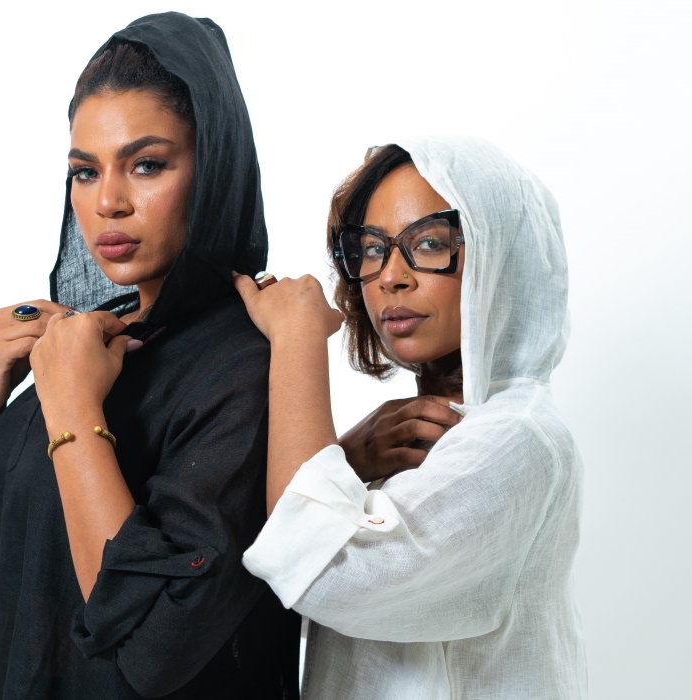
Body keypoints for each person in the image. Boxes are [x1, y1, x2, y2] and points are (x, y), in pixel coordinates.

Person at [0, 13, 300, 700]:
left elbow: (153, 647)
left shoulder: (248, 368)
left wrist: (70, 406)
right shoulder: (90, 343)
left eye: (147, 165)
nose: (108, 203)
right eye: (84, 172)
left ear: (214, 171)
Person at [235, 138, 587, 698]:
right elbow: (272, 585)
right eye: (372, 249)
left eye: (428, 243)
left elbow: (326, 574)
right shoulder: (410, 438)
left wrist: (297, 338)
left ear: (502, 254)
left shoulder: (518, 437)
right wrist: (347, 460)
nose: (390, 277)